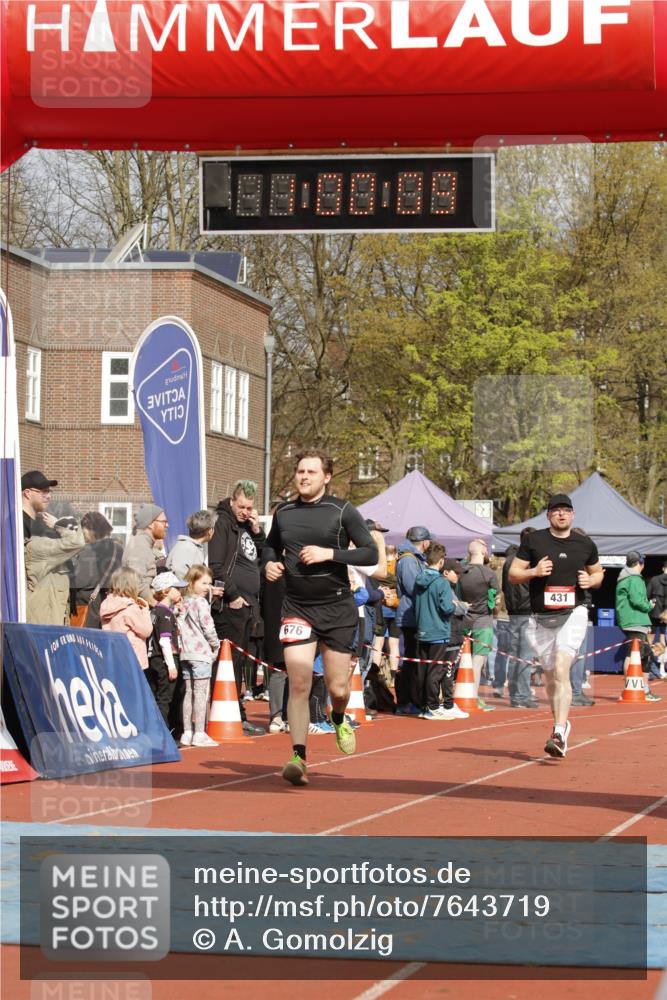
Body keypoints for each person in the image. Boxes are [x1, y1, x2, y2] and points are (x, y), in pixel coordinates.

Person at [263, 448, 378, 786]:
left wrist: (331, 553)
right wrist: (269, 563)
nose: (304, 477)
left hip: (337, 609)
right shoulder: (283, 512)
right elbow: (270, 546)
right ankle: (298, 757)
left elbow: (370, 552)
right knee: (298, 682)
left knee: (337, 687)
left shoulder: (342, 510)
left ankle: (338, 714)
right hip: (297, 606)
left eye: (311, 472)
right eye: (300, 471)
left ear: (326, 477)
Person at [509, 493, 604, 758]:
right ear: (549, 515)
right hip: (540, 617)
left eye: (566, 510)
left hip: (574, 612)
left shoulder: (585, 544)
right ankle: (561, 722)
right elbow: (514, 574)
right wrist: (534, 573)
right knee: (551, 678)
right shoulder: (533, 541)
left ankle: (559, 731)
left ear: (572, 515)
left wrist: (591, 581)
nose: (561, 514)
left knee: (562, 669)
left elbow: (598, 573)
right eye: (556, 511)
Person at [208, 480, 266, 737]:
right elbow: (216, 564)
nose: (245, 511)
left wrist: (256, 530)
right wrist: (232, 595)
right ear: (231, 501)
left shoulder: (245, 527)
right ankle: (228, 715)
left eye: (249, 508)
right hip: (231, 605)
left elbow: (263, 556)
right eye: (241, 506)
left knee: (241, 662)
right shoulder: (223, 522)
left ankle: (237, 712)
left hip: (249, 605)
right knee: (228, 663)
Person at [414, 543, 469, 721]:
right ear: (441, 561)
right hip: (438, 631)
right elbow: (446, 608)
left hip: (421, 629)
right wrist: (454, 605)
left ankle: (424, 706)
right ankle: (432, 706)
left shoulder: (418, 579)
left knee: (423, 670)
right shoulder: (441, 583)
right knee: (435, 670)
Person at [177, 565, 221, 748]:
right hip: (201, 653)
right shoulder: (201, 603)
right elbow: (208, 627)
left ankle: (187, 732)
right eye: (203, 583)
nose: (207, 587)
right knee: (201, 694)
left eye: (209, 584)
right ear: (192, 582)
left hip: (185, 652)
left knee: (189, 692)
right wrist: (215, 644)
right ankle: (199, 733)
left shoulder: (183, 601)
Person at [395, 526, 433, 715]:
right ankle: (405, 701)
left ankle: (411, 700)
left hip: (413, 614)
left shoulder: (412, 558)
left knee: (412, 660)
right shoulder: (409, 560)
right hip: (410, 615)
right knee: (410, 661)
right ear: (424, 542)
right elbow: (413, 587)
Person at [501, 527, 539, 709]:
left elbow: (504, 586)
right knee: (524, 656)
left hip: (513, 611)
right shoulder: (529, 562)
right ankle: (522, 695)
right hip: (526, 611)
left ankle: (516, 694)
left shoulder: (508, 560)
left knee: (515, 655)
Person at [615, 551, 662, 702]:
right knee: (634, 655)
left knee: (644, 654)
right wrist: (649, 605)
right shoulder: (634, 579)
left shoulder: (626, 577)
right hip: (635, 620)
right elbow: (637, 600)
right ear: (639, 563)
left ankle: (643, 689)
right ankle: (631, 689)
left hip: (633, 620)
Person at [458, 539, 498, 711]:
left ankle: (458, 695)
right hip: (483, 622)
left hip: (464, 619)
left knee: (461, 659)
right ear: (483, 552)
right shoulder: (488, 573)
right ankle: (472, 697)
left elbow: (457, 596)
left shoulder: (461, 572)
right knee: (477, 662)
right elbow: (495, 598)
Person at [25, 515, 85, 625]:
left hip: (52, 624)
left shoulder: (56, 557)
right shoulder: (39, 547)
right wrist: (58, 525)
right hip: (42, 625)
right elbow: (78, 543)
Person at [146, 570, 187, 729]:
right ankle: (162, 733)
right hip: (164, 659)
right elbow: (164, 640)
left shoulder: (156, 611)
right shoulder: (165, 614)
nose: (180, 591)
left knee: (158, 696)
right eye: (176, 588)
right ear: (165, 591)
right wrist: (171, 665)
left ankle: (159, 731)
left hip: (154, 658)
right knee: (165, 698)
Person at [70, 511, 123, 627]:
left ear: (90, 530)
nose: (83, 535)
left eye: (83, 531)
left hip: (88, 606)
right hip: (109, 603)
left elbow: (80, 580)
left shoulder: (89, 550)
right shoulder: (117, 549)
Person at [100, 567, 152, 671]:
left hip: (113, 656)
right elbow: (146, 631)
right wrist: (145, 610)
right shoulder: (130, 608)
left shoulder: (106, 604)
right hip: (132, 657)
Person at [123, 503, 168, 603]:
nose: (167, 525)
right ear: (151, 524)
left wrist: (154, 593)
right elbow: (136, 583)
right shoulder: (140, 546)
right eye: (164, 522)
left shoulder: (143, 543)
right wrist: (159, 607)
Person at [167, 509, 216, 580]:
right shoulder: (187, 547)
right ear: (210, 531)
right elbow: (178, 572)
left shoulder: (190, 546)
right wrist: (189, 588)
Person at [21, 469, 58, 541]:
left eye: (49, 491)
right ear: (27, 493)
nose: (49, 496)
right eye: (45, 491)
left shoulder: (39, 523)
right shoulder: (18, 524)